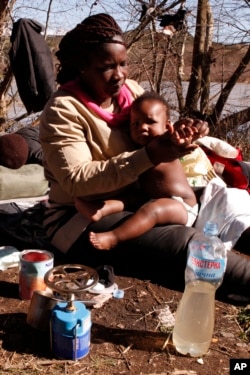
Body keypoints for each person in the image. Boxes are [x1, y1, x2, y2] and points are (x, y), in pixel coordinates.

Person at [39, 13, 250, 302]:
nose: (119, 75)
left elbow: (158, 131)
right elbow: (76, 181)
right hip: (80, 216)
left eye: (123, 63)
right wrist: (149, 155)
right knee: (185, 243)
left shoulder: (130, 92)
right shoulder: (63, 110)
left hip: (140, 197)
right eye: (106, 67)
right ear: (82, 67)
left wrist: (183, 134)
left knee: (230, 214)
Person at [75, 91, 198, 250]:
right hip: (149, 196)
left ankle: (114, 237)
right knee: (130, 198)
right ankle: (100, 209)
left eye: (150, 122)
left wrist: (183, 136)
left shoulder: (165, 144)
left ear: (167, 126)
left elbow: (177, 141)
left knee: (152, 210)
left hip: (182, 206)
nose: (142, 128)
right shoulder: (138, 150)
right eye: (136, 124)